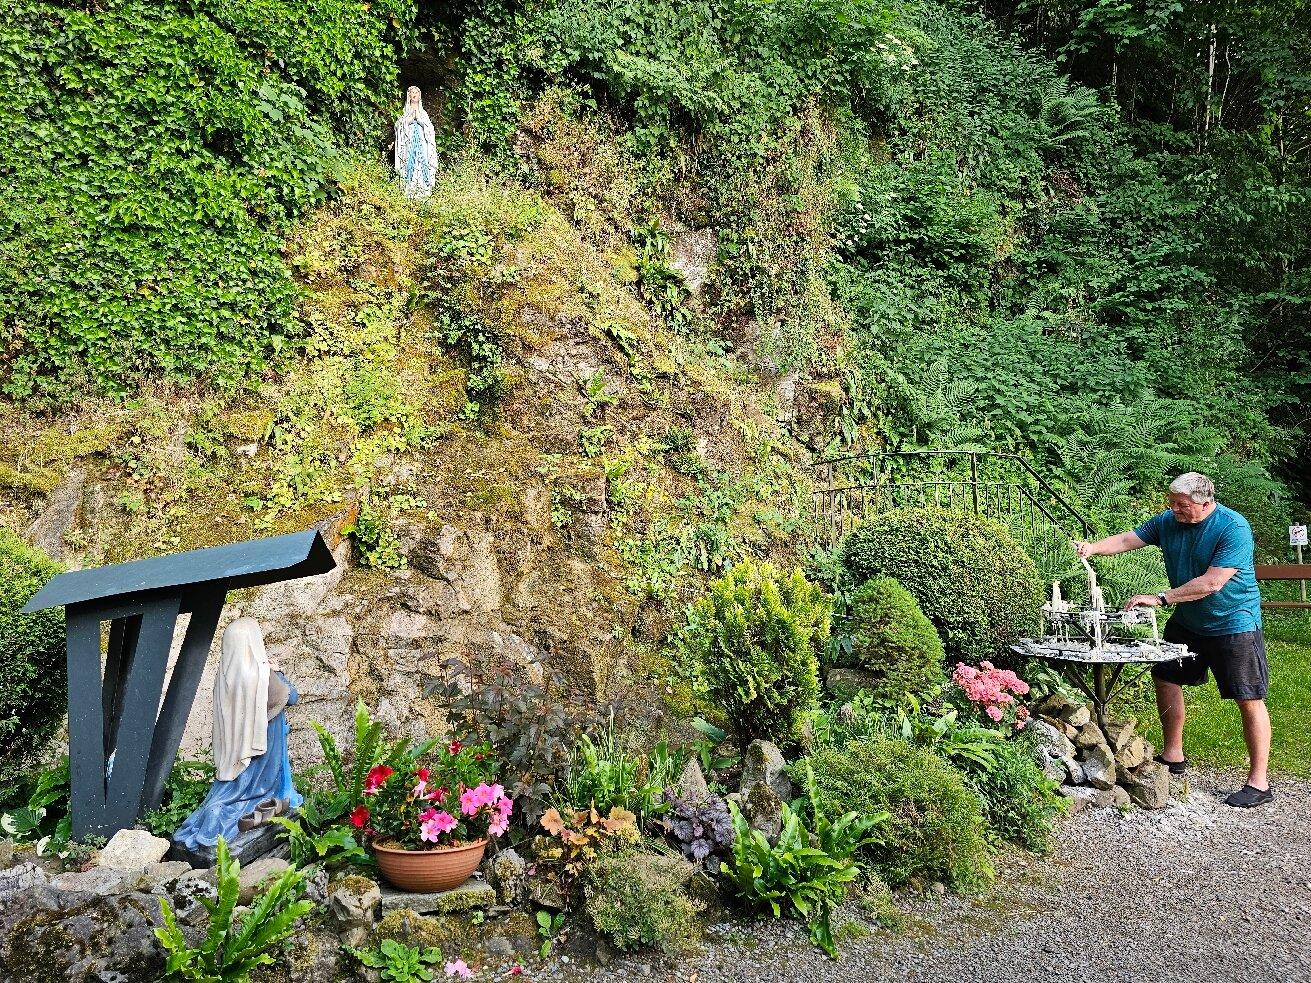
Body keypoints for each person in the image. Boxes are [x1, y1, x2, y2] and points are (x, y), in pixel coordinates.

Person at [1074, 472, 1272, 808]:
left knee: (1248, 696)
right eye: (1172, 504)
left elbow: (1211, 583)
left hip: (1233, 622)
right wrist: (1092, 548)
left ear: (1206, 503)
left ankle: (1258, 782)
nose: (1174, 510)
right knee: (1165, 676)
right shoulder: (1169, 521)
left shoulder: (1233, 528)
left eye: (1181, 505)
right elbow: (1127, 540)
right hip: (1188, 622)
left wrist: (1161, 598)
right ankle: (1173, 754)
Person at [174, 618, 303, 850]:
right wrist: (278, 672)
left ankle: (214, 812)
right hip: (264, 742)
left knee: (229, 792)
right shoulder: (263, 675)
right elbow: (291, 697)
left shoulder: (224, 674)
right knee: (259, 790)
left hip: (234, 749)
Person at [394, 85, 437, 198]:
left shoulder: (423, 113)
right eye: (412, 92)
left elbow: (430, 129)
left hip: (422, 143)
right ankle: (409, 191)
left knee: (423, 162)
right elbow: (398, 126)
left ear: (419, 95)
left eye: (416, 92)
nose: (414, 95)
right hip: (409, 143)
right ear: (409, 95)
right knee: (409, 161)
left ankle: (423, 191)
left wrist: (419, 119)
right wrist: (409, 120)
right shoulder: (405, 112)